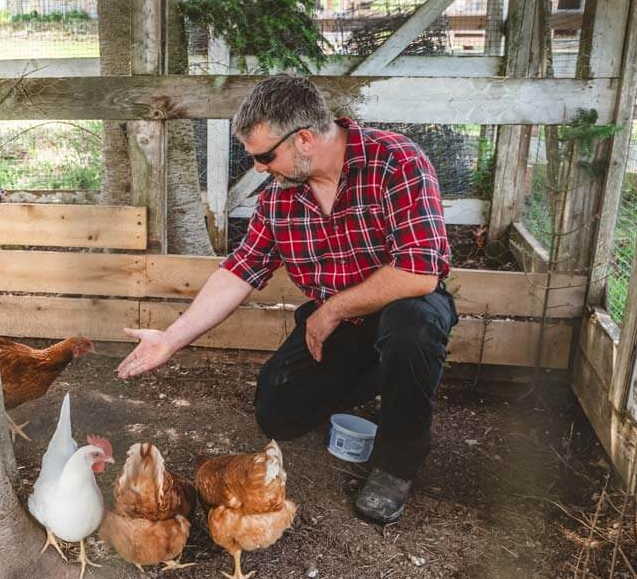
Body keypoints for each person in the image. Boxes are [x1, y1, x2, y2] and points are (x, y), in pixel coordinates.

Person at [116, 73, 457, 524]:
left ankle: (397, 462)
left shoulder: (395, 161)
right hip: (339, 324)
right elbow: (241, 269)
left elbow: (419, 272)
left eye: (263, 156)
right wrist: (173, 338)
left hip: (402, 306)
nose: (258, 168)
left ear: (304, 140)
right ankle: (390, 377)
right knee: (278, 414)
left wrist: (331, 309)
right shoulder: (280, 197)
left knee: (412, 328)